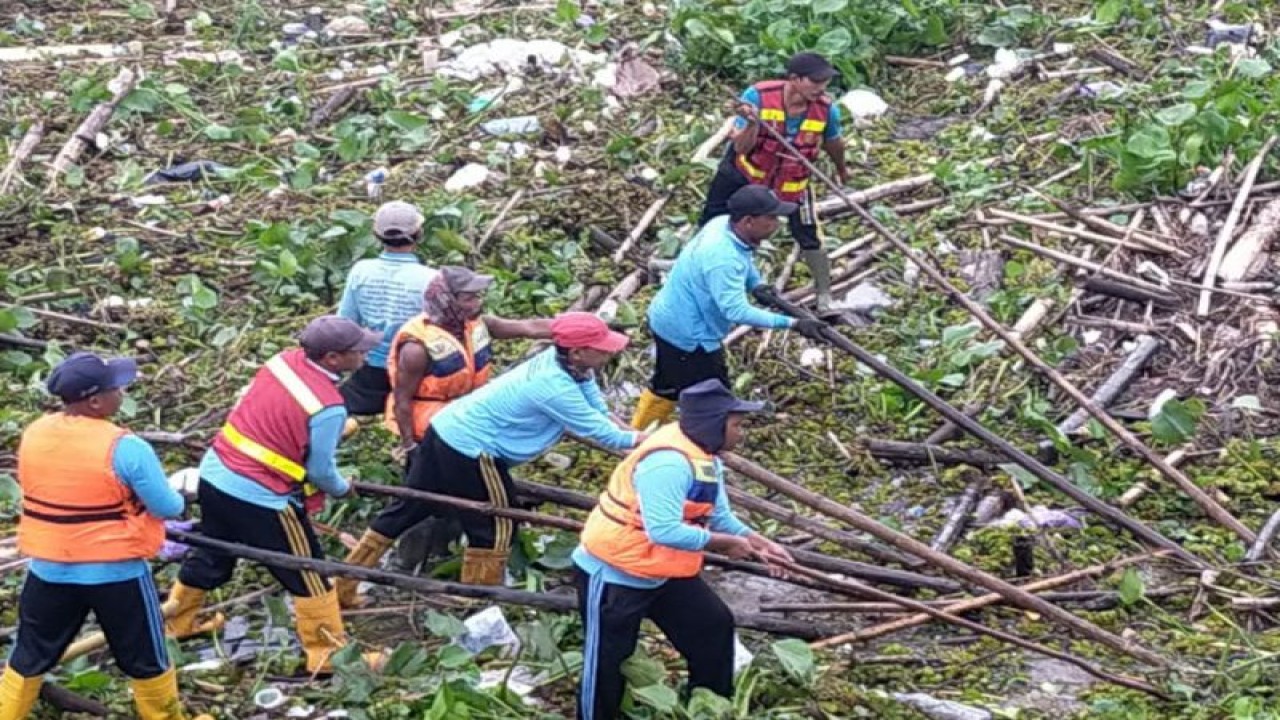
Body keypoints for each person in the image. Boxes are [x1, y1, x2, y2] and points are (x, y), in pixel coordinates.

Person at [341, 312, 644, 592]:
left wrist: (633, 433)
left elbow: (599, 408)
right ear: (578, 352)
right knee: (496, 524)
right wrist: (651, 440)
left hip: (446, 428)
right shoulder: (552, 384)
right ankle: (477, 599)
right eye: (602, 348)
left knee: (410, 505)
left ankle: (347, 579)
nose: (609, 352)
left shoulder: (571, 367)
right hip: (471, 449)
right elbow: (602, 433)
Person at [162, 315, 379, 676]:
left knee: (214, 549)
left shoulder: (282, 362)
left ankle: (178, 621)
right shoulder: (328, 407)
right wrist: (343, 488)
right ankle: (326, 655)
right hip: (262, 498)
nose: (365, 355)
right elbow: (321, 471)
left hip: (216, 475)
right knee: (307, 571)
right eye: (358, 350)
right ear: (333, 359)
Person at [1, 353, 210, 720]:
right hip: (115, 574)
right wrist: (183, 496)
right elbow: (167, 507)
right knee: (146, 657)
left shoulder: (35, 432)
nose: (123, 392)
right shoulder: (126, 447)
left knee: (29, 653)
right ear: (95, 401)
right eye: (116, 388)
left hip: (49, 567)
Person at [574, 378, 794, 720]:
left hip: (663, 567)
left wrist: (758, 543)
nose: (741, 433)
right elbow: (663, 530)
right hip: (618, 569)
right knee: (607, 659)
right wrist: (725, 544)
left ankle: (709, 706)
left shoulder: (706, 457)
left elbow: (718, 515)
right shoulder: (668, 464)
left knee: (714, 626)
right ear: (712, 425)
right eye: (736, 425)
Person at [334, 266, 553, 606]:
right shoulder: (417, 346)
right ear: (448, 299)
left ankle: (355, 579)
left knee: (412, 506)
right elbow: (403, 401)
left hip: (464, 426)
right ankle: (475, 596)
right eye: (469, 297)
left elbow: (527, 327)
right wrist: (409, 446)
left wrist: (571, 329)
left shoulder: (477, 325)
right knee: (488, 514)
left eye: (478, 295)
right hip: (432, 434)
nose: (477, 302)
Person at [631, 185, 828, 430]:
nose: (777, 223)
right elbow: (735, 311)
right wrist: (793, 324)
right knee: (715, 398)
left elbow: (744, 260)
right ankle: (709, 443)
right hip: (690, 336)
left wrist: (756, 284)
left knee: (667, 384)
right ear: (748, 221)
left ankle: (636, 435)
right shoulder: (722, 258)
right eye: (770, 218)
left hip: (667, 318)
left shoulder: (723, 224)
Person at [701, 51, 849, 314]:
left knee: (809, 234)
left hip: (793, 182)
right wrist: (751, 123)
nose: (821, 88)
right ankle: (702, 272)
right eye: (815, 82)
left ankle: (824, 296)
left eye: (824, 83)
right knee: (713, 220)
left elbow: (833, 143)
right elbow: (742, 148)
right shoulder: (758, 97)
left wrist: (841, 170)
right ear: (794, 79)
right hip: (746, 172)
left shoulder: (826, 110)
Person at [337, 200, 439, 415]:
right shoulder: (431, 278)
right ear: (419, 234)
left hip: (370, 371)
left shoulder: (360, 270)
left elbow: (345, 324)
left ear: (376, 235)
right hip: (415, 373)